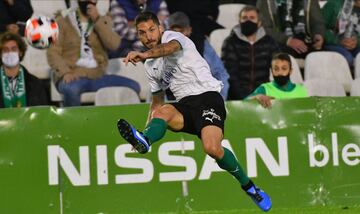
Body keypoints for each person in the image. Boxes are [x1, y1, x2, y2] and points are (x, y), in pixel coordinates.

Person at [117, 11, 272, 212]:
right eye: (142, 33)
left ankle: (250, 187)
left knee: (212, 148)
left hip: (208, 97)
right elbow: (156, 102)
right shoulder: (151, 66)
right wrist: (145, 133)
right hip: (185, 106)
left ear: (160, 28)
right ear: (138, 36)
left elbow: (169, 48)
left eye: (152, 30)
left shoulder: (174, 37)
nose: (149, 36)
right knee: (163, 111)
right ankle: (145, 142)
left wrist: (144, 54)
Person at [47, 0, 141, 106]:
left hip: (97, 75)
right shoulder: (62, 21)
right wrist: (65, 72)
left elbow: (114, 45)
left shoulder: (103, 20)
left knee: (133, 86)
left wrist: (97, 20)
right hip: (73, 75)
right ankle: (74, 122)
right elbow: (52, 52)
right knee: (71, 89)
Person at [222, 5, 279, 100]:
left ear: (259, 23)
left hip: (263, 95)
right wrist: (247, 98)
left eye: (252, 18)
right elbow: (230, 75)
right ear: (239, 21)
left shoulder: (270, 42)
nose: (248, 21)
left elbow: (278, 68)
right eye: (244, 18)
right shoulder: (230, 42)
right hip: (237, 98)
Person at [168, 11, 229, 100]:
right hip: (173, 100)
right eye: (174, 32)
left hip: (201, 98)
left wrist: (220, 101)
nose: (178, 36)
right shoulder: (162, 49)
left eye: (181, 31)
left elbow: (220, 74)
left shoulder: (202, 45)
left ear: (189, 30)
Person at [257, 0, 325, 58]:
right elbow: (263, 29)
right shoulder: (266, 2)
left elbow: (317, 22)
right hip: (279, 43)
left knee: (322, 56)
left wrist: (318, 34)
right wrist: (287, 40)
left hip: (307, 41)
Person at [0, 32, 48, 108]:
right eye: (5, 50)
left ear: (20, 52)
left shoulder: (35, 83)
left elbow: (42, 113)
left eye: (14, 49)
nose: (9, 53)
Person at [322, 0, 360, 66]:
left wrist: (356, 42)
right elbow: (319, 28)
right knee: (346, 58)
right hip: (333, 43)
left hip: (355, 45)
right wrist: (337, 41)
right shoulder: (334, 3)